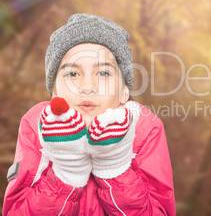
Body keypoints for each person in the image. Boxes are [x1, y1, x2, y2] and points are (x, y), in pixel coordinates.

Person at [2, 13, 176, 215]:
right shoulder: (36, 126)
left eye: (103, 73)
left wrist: (114, 168)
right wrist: (66, 173)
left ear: (124, 91)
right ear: (54, 91)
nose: (87, 87)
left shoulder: (144, 129)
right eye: (72, 74)